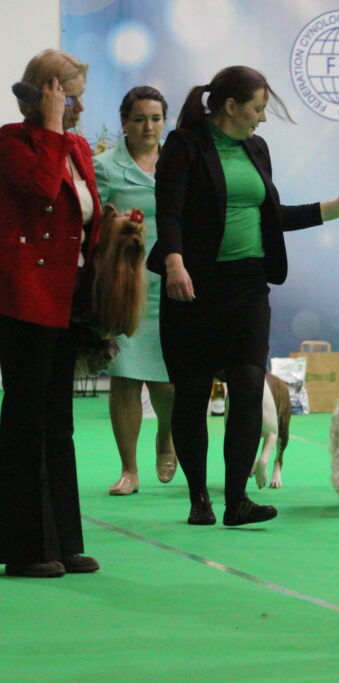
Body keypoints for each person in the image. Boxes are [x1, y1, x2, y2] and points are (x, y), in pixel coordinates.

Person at [148, 66, 339, 526]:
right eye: (258, 108)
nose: (263, 118)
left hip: (248, 287)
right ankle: (199, 499)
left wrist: (333, 208)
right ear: (231, 107)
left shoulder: (257, 148)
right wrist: (174, 263)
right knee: (191, 394)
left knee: (249, 388)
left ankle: (237, 501)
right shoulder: (184, 146)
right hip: (194, 286)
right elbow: (169, 213)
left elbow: (272, 216)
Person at [0, 50, 102, 577]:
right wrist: (52, 126)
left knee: (59, 420)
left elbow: (86, 217)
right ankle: (25, 547)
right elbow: (41, 193)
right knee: (26, 419)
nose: (78, 107)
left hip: (69, 297)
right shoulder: (12, 142)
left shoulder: (78, 147)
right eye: (69, 96)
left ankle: (63, 540)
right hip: (26, 295)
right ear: (46, 94)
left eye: (79, 97)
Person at [94, 86, 177, 496]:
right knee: (124, 377)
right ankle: (129, 469)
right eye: (140, 118)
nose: (148, 127)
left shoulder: (178, 163)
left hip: (172, 283)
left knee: (168, 381)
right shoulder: (104, 166)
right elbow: (91, 223)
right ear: (124, 122)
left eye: (156, 118)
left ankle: (166, 437)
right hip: (124, 289)